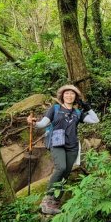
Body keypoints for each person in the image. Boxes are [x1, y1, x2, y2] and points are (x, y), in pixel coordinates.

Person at [27, 84, 99, 215]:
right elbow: (42, 124)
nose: (69, 95)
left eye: (72, 94)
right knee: (61, 167)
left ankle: (55, 203)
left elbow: (95, 120)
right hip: (57, 142)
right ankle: (47, 200)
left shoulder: (77, 113)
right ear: (62, 95)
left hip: (72, 146)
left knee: (65, 173)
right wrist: (33, 123)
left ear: (75, 97)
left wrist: (87, 108)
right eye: (67, 93)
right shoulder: (54, 109)